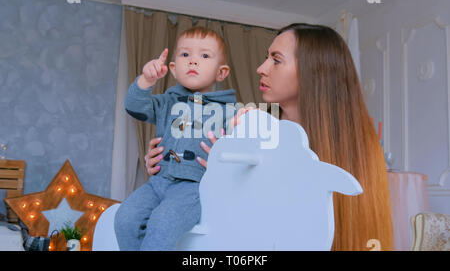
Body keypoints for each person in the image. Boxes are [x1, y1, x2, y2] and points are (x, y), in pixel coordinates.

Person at [145, 23, 394, 251]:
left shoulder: (356, 149)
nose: (261, 68)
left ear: (313, 71)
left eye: (276, 60)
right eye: (267, 57)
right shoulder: (247, 127)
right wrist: (168, 164)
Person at [114, 27, 237, 251]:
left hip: (192, 188)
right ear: (172, 68)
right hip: (157, 183)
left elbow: (240, 151)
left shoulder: (229, 112)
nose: (192, 62)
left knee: (162, 223)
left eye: (205, 55)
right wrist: (145, 80)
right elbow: (134, 106)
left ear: (221, 73)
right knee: (125, 219)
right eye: (185, 54)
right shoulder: (167, 103)